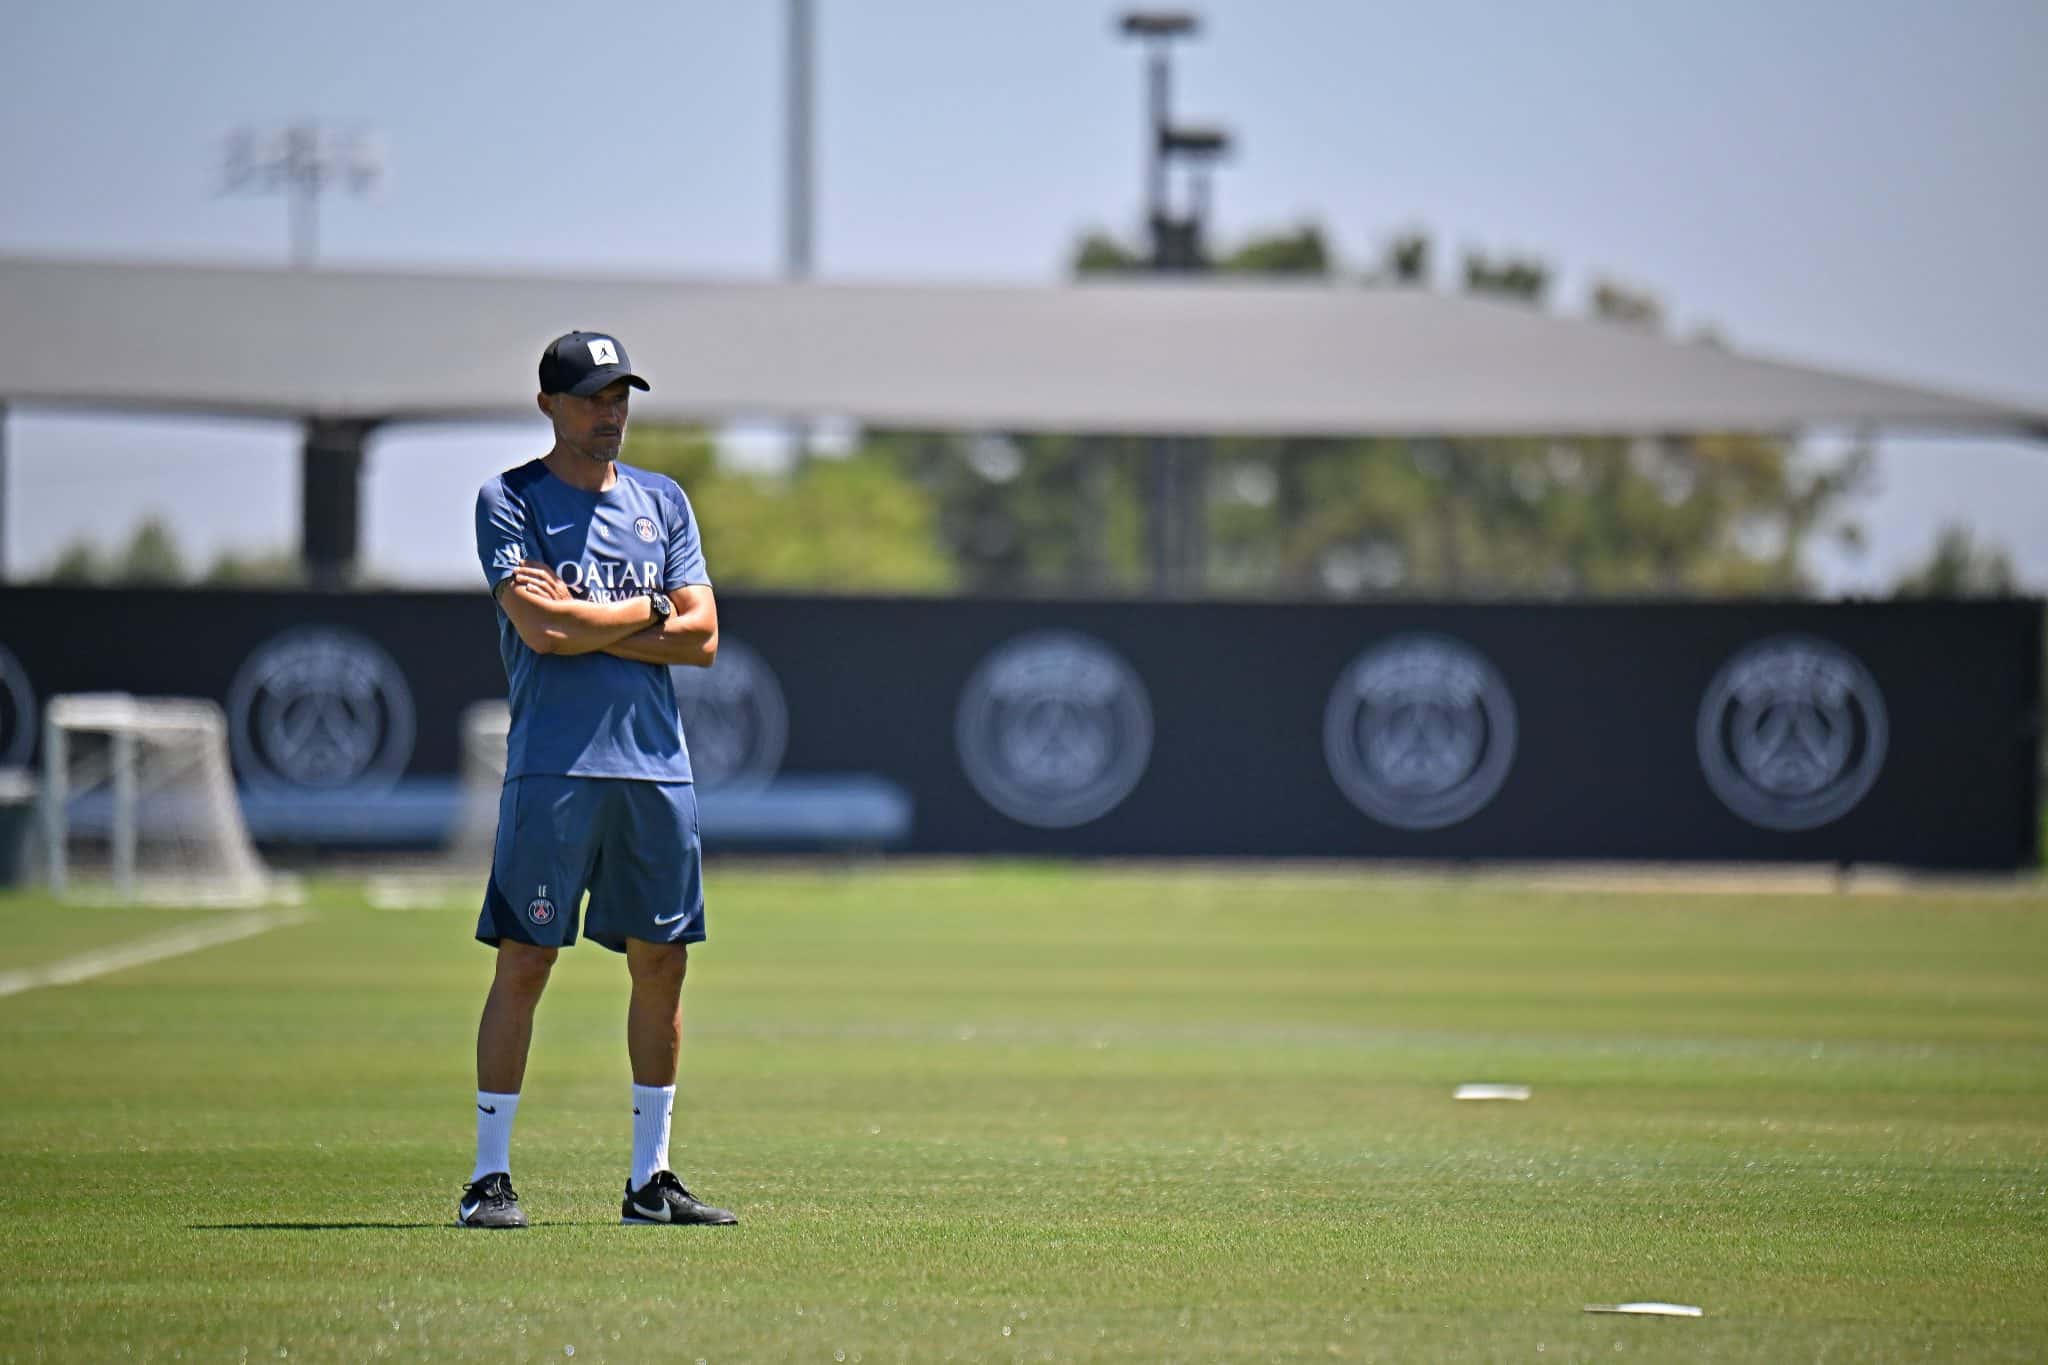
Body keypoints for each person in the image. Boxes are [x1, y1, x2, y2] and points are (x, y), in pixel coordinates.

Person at [458, 330, 734, 1229]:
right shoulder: (510, 499)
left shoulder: (664, 501)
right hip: (555, 768)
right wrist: (648, 609)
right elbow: (542, 632)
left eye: (619, 397)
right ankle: (488, 1178)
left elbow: (702, 638)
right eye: (590, 398)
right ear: (548, 404)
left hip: (657, 772)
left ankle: (651, 1180)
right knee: (526, 959)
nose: (609, 413)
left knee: (663, 963)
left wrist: (593, 619)